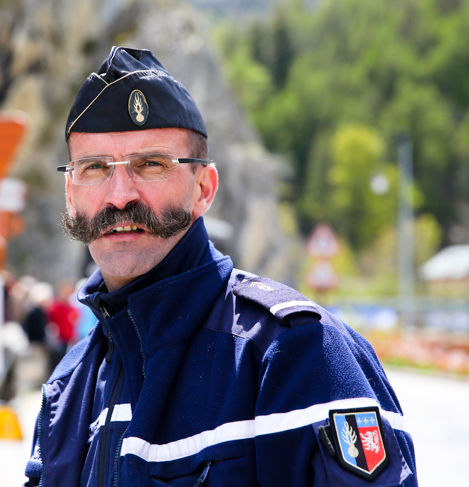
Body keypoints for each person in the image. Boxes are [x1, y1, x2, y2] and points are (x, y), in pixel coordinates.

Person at [23, 46, 417, 487]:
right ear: (70, 193)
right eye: (95, 167)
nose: (119, 196)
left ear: (204, 189)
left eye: (150, 164)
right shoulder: (68, 386)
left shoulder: (295, 354)